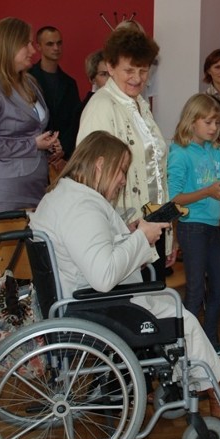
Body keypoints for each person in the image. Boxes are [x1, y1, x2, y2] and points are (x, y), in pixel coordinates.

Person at [28, 130, 220, 418]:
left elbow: (90, 252)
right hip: (93, 306)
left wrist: (130, 234)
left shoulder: (65, 195)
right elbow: (104, 275)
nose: (122, 180)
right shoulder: (82, 207)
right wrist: (142, 237)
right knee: (182, 318)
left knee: (173, 307)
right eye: (121, 171)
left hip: (78, 301)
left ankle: (216, 378)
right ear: (100, 164)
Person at [0, 17, 61, 296]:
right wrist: (32, 145)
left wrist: (50, 144)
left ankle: (23, 331)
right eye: (26, 43)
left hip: (33, 185)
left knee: (28, 266)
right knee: (0, 269)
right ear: (7, 47)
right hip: (1, 189)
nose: (32, 49)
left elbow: (35, 128)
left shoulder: (29, 82)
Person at [78, 26, 175, 283]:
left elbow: (156, 174)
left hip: (152, 228)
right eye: (129, 70)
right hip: (124, 234)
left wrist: (168, 233)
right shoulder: (101, 107)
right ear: (110, 66)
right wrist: (124, 230)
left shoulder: (140, 105)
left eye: (143, 70)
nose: (137, 78)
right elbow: (91, 181)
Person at [168, 93, 220, 359]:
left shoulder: (214, 149)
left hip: (212, 226)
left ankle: (208, 340)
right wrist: (208, 192)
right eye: (208, 122)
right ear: (191, 120)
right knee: (196, 289)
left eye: (217, 123)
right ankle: (183, 346)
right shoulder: (179, 152)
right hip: (191, 226)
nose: (213, 128)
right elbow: (174, 199)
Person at [27, 25, 82, 163]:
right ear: (38, 46)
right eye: (50, 44)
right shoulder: (26, 79)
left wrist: (63, 149)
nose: (56, 48)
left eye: (59, 43)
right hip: (33, 153)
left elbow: (74, 121)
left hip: (62, 155)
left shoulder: (69, 83)